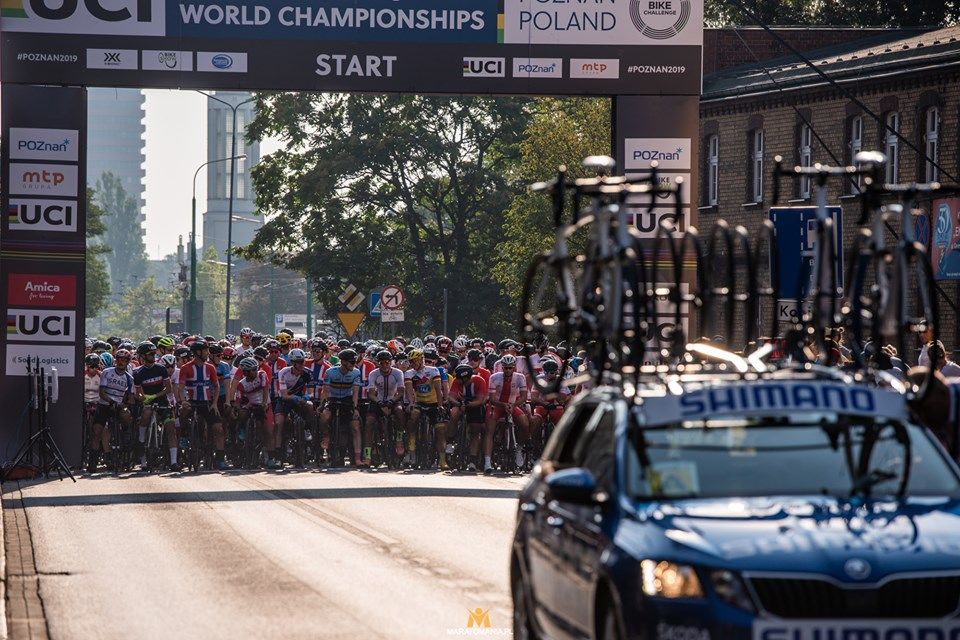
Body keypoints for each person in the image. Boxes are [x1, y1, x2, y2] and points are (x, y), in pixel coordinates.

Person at [177, 341, 230, 470]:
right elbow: (181, 387)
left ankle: (220, 459)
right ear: (198, 353)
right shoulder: (186, 368)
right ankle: (183, 438)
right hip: (192, 402)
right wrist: (183, 401)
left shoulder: (210, 368)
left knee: (219, 429)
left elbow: (217, 387)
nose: (207, 353)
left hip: (207, 403)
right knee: (182, 414)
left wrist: (215, 404)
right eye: (205, 351)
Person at [90, 348, 135, 473]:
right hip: (104, 404)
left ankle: (126, 436)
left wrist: (126, 404)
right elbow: (102, 392)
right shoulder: (107, 372)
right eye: (119, 359)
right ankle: (93, 463)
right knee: (97, 432)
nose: (121, 362)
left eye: (124, 360)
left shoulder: (129, 378)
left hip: (119, 406)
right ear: (116, 360)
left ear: (127, 362)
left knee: (126, 415)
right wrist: (111, 402)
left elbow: (131, 396)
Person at [484, 354, 529, 475]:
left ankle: (519, 448)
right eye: (505, 368)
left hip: (512, 405)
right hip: (497, 405)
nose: (508, 370)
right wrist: (503, 405)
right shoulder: (494, 377)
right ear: (502, 367)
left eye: (510, 367)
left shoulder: (520, 377)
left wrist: (513, 405)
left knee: (525, 424)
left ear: (514, 367)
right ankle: (487, 462)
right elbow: (491, 399)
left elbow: (524, 397)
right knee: (490, 431)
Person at [133, 341, 174, 469]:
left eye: (154, 353)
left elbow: (168, 388)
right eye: (150, 354)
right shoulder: (138, 372)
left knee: (171, 427)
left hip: (162, 400)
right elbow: (138, 393)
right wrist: (144, 399)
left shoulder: (161, 368)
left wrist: (156, 396)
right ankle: (141, 440)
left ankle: (174, 462)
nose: (153, 355)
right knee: (146, 413)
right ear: (143, 356)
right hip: (147, 402)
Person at [234, 356, 280, 469]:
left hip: (265, 405)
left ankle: (271, 458)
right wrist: (237, 409)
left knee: (269, 431)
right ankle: (242, 431)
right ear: (245, 372)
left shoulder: (261, 374)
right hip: (252, 405)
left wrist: (264, 404)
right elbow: (238, 401)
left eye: (256, 368)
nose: (255, 371)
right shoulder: (241, 384)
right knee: (241, 413)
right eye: (252, 370)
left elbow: (265, 389)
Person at [320, 348, 363, 466]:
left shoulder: (356, 372)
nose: (354, 365)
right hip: (333, 399)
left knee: (355, 426)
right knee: (324, 417)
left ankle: (358, 458)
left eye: (355, 362)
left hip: (347, 400)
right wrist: (322, 405)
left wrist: (355, 409)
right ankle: (326, 435)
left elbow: (355, 392)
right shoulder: (330, 372)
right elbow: (326, 391)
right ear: (343, 362)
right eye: (352, 362)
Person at [404, 349, 445, 469]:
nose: (412, 364)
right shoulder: (409, 373)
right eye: (410, 361)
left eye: (414, 361)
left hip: (433, 403)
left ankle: (442, 460)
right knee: (413, 418)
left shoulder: (433, 370)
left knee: (440, 430)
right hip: (419, 403)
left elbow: (438, 390)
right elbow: (409, 390)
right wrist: (411, 403)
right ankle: (411, 453)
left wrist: (440, 405)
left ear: (421, 359)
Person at [366, 350, 406, 463]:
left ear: (391, 362)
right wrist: (379, 403)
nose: (384, 365)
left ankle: (399, 439)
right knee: (369, 422)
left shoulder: (398, 373)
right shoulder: (373, 373)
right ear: (378, 363)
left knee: (399, 411)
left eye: (387, 362)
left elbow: (401, 392)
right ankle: (368, 455)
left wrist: (391, 401)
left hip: (393, 399)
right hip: (378, 400)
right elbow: (371, 393)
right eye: (382, 363)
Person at [448, 363, 488, 472]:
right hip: (460, 403)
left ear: (467, 378)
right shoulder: (457, 380)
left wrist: (469, 405)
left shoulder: (479, 380)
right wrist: (459, 404)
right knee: (454, 413)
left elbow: (480, 400)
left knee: (476, 431)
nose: (458, 381)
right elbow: (451, 397)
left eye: (461, 379)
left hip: (475, 404)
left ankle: (472, 461)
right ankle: (451, 441)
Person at [276, 348, 314, 465]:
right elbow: (284, 394)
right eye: (299, 362)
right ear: (293, 363)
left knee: (310, 406)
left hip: (300, 400)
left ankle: (307, 429)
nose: (302, 364)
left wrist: (306, 398)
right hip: (285, 400)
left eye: (303, 361)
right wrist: (295, 398)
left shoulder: (308, 373)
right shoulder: (283, 372)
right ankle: (277, 456)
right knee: (279, 424)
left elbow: (311, 392)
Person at [530, 358, 570, 444]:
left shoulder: (561, 380)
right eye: (546, 372)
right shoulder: (539, 378)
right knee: (535, 420)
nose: (548, 374)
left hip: (556, 406)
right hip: (541, 405)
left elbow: (562, 400)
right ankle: (534, 444)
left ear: (556, 371)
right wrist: (544, 403)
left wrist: (554, 386)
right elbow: (533, 397)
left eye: (551, 372)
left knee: (562, 426)